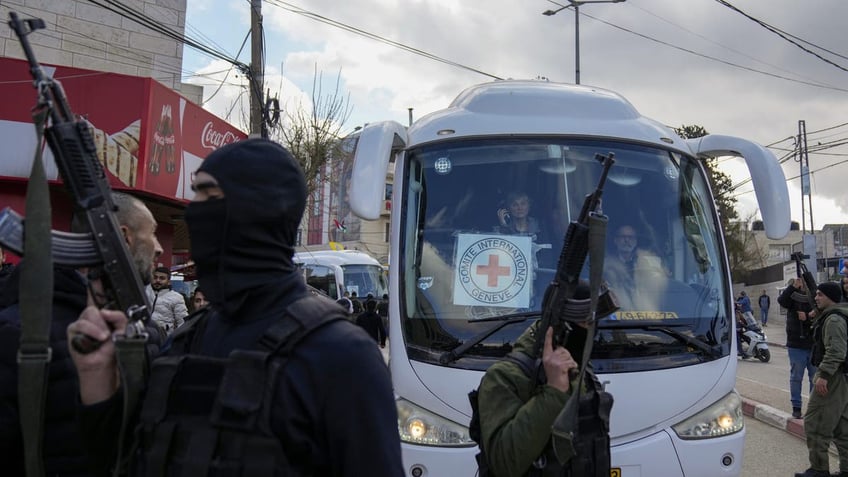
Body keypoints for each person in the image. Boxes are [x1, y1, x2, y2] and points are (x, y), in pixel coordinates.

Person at [68, 138, 403, 476]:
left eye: (208, 195)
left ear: (258, 208)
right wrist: (97, 382)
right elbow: (126, 460)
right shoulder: (186, 340)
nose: (193, 210)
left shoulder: (342, 355)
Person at [0, 192, 162, 477]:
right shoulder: (17, 331)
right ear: (124, 238)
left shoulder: (142, 329)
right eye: (153, 233)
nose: (160, 248)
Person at [476, 283, 613, 477]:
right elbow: (504, 463)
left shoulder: (581, 368)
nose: (592, 332)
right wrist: (554, 391)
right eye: (585, 324)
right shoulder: (505, 376)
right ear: (559, 327)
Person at [795, 282, 848, 477]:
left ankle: (818, 470)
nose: (816, 298)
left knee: (815, 422)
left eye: (820, 295)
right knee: (843, 428)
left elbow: (836, 351)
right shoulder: (839, 314)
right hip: (842, 377)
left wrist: (824, 375)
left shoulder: (834, 319)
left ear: (830, 297)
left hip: (833, 377)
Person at [603, 224, 667, 311]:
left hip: (642, 310)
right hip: (616, 311)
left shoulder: (645, 263)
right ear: (615, 240)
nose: (627, 240)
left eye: (631, 237)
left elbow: (655, 286)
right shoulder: (606, 264)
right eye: (623, 237)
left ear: (636, 241)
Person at [778, 278, 817, 418]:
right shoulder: (792, 297)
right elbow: (782, 301)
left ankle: (813, 408)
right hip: (796, 343)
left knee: (815, 377)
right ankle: (796, 407)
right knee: (796, 377)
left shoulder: (815, 296)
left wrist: (807, 316)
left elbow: (822, 311)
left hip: (813, 343)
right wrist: (793, 288)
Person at [147, 265, 188, 333]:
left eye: (162, 278)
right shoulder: (145, 292)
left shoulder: (176, 298)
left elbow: (182, 322)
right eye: (155, 277)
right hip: (145, 335)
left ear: (169, 281)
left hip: (164, 338)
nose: (158, 280)